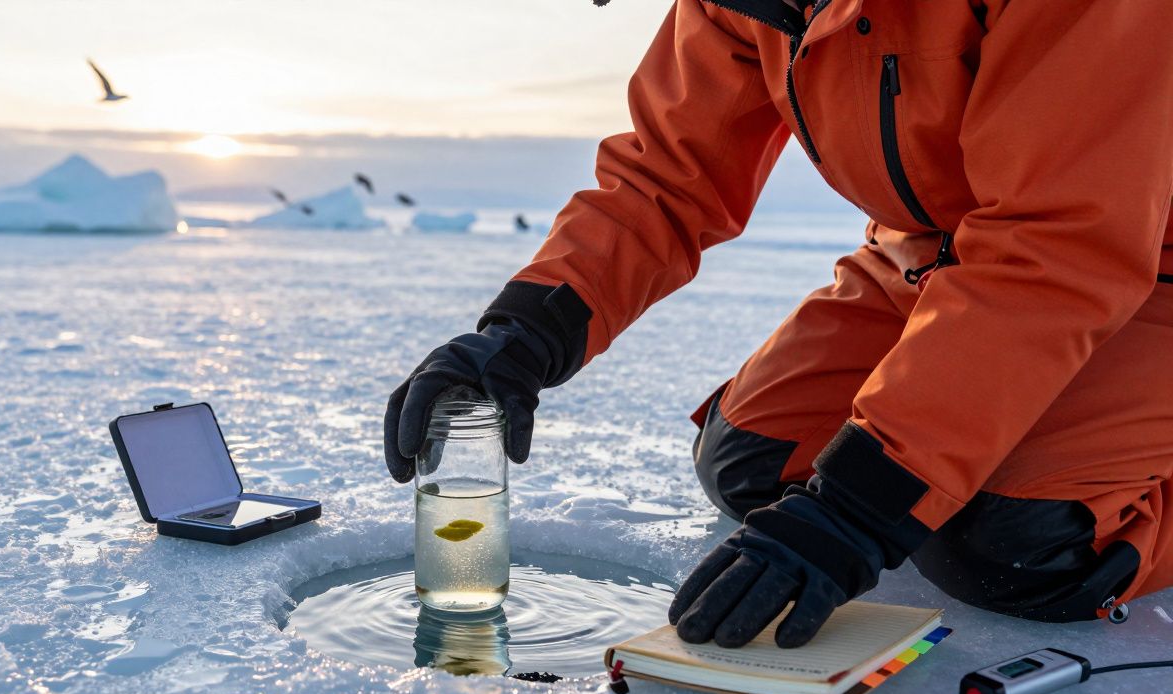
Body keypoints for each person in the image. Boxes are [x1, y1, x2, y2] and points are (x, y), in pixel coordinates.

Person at [385, 0, 1173, 648]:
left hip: (1130, 265)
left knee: (1010, 543)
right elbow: (666, 177)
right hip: (928, 257)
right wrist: (524, 333)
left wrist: (854, 512)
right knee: (753, 463)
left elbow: (1056, 242)